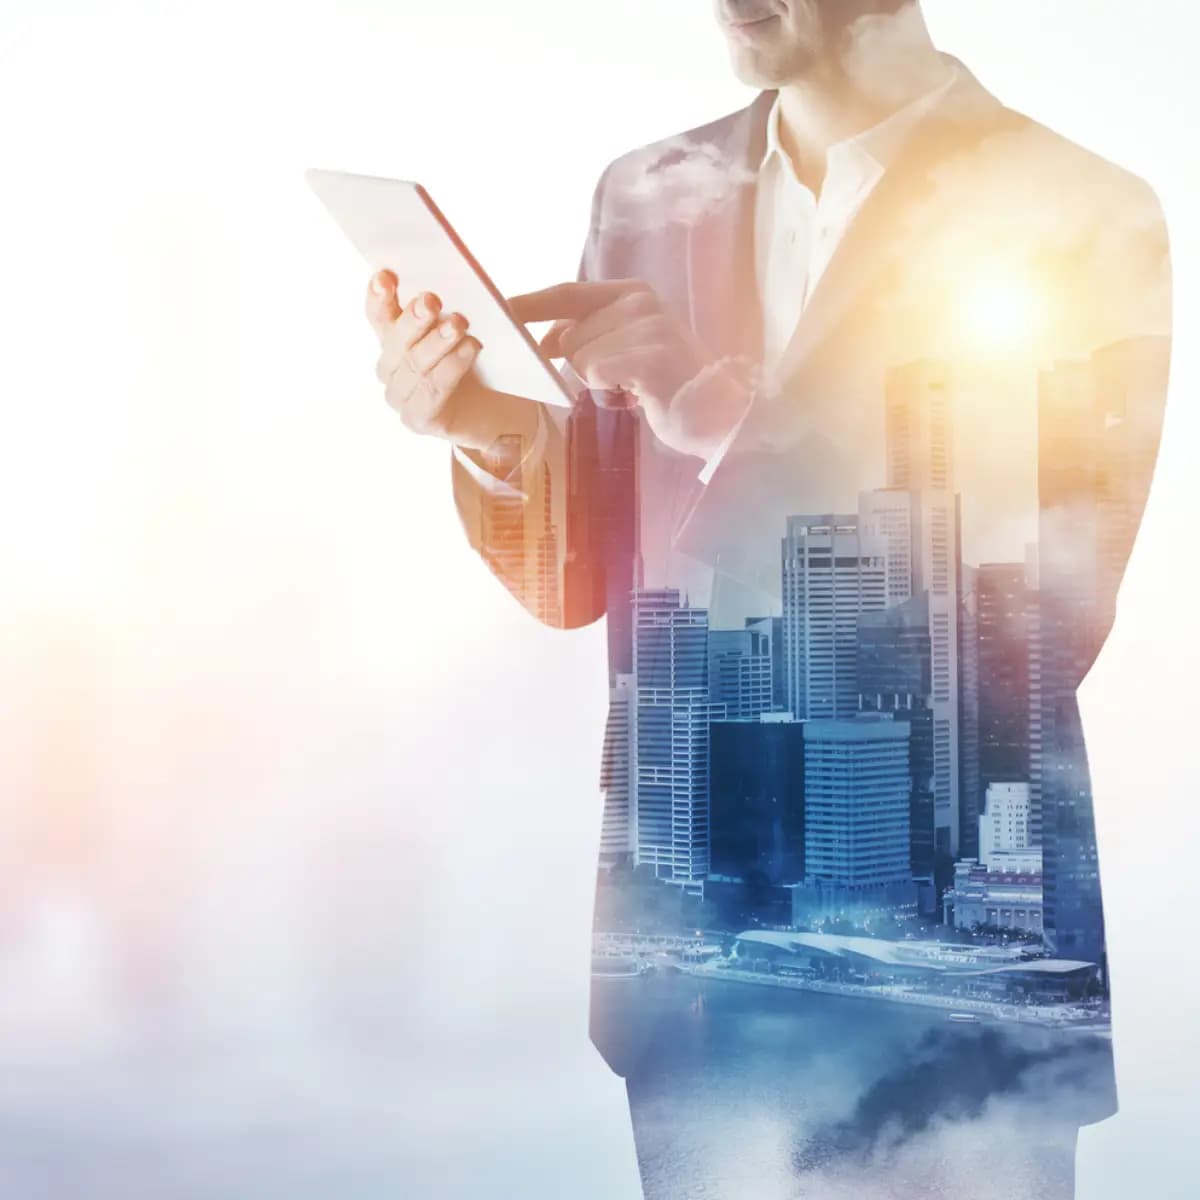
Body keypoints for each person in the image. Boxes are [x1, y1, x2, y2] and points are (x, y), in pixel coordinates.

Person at [365, 3, 1170, 1196]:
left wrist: (717, 413)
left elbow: (1047, 621)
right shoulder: (644, 195)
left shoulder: (1079, 212)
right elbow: (587, 576)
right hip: (701, 975)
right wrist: (484, 427)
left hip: (950, 980)